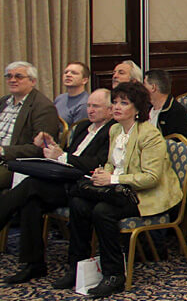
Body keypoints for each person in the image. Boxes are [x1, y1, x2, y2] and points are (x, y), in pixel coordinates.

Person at [62, 82, 182, 296]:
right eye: (115, 102)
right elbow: (112, 162)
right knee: (79, 203)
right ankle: (77, 267)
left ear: (137, 108)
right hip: (118, 189)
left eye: (124, 103)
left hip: (145, 195)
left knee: (102, 212)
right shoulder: (115, 129)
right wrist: (103, 174)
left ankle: (114, 274)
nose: (116, 107)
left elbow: (151, 178)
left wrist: (112, 179)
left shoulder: (150, 135)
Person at [0, 90, 113, 284]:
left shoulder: (112, 131)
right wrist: (53, 148)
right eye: (88, 106)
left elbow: (97, 163)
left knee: (31, 186)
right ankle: (34, 264)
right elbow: (69, 155)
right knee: (31, 201)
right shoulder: (83, 127)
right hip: (63, 179)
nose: (90, 110)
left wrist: (63, 156)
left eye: (96, 106)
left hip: (83, 185)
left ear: (110, 110)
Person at [0, 61, 61, 189]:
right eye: (9, 76)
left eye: (18, 76)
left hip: (12, 163)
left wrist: (3, 151)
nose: (12, 80)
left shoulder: (43, 107)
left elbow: (41, 148)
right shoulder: (4, 102)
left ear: (32, 81)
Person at [143, 70, 187, 139]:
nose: (142, 87)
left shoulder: (177, 112)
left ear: (153, 87)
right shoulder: (146, 107)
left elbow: (177, 142)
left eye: (144, 84)